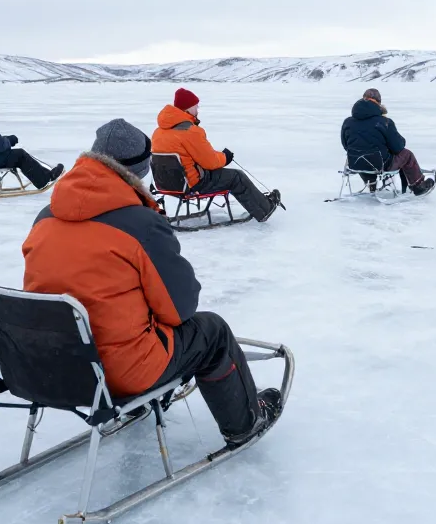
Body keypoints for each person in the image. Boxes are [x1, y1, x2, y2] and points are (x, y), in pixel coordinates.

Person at [22, 118, 282, 447]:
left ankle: (138, 406)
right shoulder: (139, 224)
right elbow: (181, 309)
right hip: (119, 374)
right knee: (212, 331)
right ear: (140, 170)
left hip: (49, 365)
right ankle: (244, 422)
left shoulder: (46, 217)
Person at [151, 87, 282, 222]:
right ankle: (265, 209)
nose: (197, 110)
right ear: (188, 109)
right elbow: (210, 162)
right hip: (192, 184)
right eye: (196, 107)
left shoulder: (158, 132)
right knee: (237, 177)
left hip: (166, 184)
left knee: (227, 175)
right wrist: (225, 157)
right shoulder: (190, 131)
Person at [340, 88, 435, 195]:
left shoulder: (347, 122)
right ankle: (418, 185)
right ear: (379, 103)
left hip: (355, 163)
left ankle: (372, 185)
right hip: (380, 164)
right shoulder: (384, 122)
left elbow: (345, 144)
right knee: (407, 154)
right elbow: (398, 147)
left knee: (365, 154)